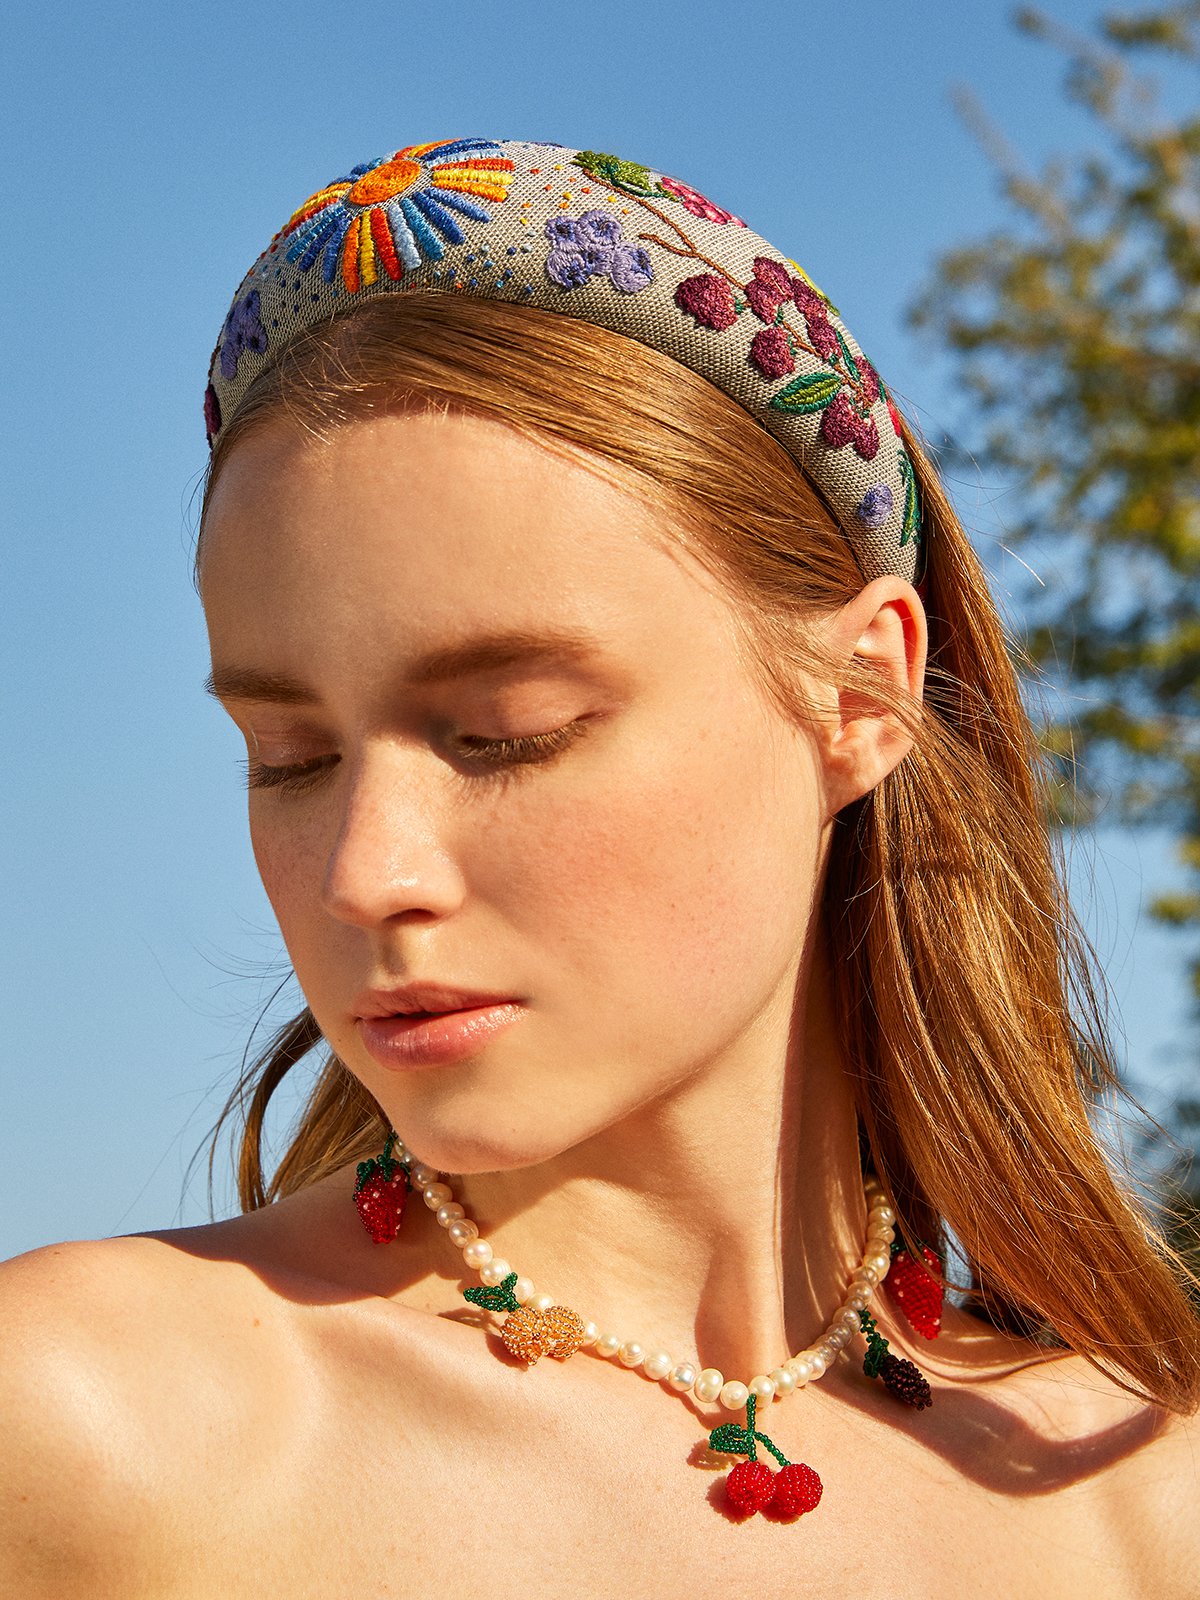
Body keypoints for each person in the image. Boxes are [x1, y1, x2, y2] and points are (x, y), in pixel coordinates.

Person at [3, 135, 1198, 1596]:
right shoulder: (88, 1425)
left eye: (509, 732)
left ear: (861, 696)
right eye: (290, 756)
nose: (365, 875)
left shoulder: (1141, 1503)